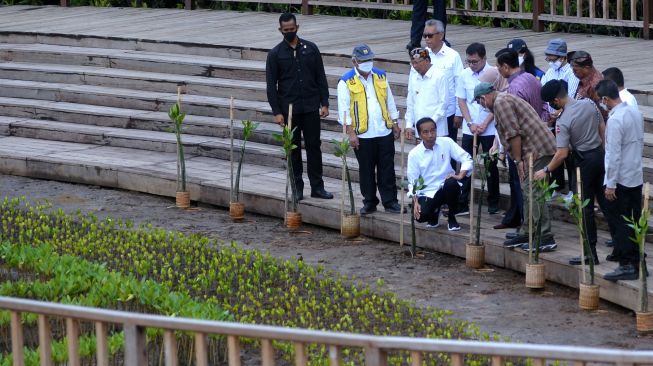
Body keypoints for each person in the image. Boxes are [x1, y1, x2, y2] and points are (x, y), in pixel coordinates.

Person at [474, 82, 558, 251]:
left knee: (534, 191)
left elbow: (514, 134)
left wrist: (518, 161)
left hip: (538, 150)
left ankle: (545, 235)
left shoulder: (500, 103)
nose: (481, 106)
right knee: (527, 190)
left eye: (479, 102)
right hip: (534, 149)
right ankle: (528, 230)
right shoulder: (503, 100)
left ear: (483, 98)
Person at [536, 79, 607, 265]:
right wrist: (602, 150)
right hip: (599, 155)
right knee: (607, 206)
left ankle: (590, 254)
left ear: (555, 101)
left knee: (585, 209)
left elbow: (562, 153)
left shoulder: (563, 120)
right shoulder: (589, 103)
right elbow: (602, 127)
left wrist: (545, 170)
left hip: (583, 162)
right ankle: (623, 251)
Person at [265, 13, 333, 201]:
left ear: (297, 27)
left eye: (292, 29)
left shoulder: (311, 49)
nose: (289, 32)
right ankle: (296, 188)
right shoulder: (275, 54)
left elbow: (321, 76)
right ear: (280, 30)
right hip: (289, 111)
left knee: (314, 148)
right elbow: (271, 86)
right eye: (285, 30)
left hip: (311, 107)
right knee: (293, 150)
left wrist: (324, 102)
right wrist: (277, 112)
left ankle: (317, 188)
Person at [337, 44, 403, 215]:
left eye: (369, 60)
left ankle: (390, 202)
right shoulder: (346, 81)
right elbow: (344, 110)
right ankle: (369, 201)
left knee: (387, 168)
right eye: (363, 60)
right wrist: (351, 133)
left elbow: (389, 100)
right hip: (363, 134)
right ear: (354, 61)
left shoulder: (380, 75)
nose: (367, 63)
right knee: (366, 170)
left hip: (383, 131)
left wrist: (395, 122)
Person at [596, 80, 645, 281]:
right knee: (633, 221)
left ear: (606, 99)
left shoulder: (616, 120)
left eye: (602, 100)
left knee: (622, 223)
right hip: (635, 174)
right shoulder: (635, 112)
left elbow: (613, 154)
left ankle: (627, 263)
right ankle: (637, 260)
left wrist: (611, 183)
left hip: (621, 179)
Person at [456, 42, 499, 216]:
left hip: (489, 127)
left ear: (484, 59)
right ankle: (462, 201)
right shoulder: (464, 75)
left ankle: (494, 202)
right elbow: (461, 100)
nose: (472, 65)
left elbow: (498, 100)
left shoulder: (494, 73)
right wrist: (469, 123)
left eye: (475, 62)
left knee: (491, 165)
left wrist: (486, 123)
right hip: (470, 127)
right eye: (469, 62)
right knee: (466, 162)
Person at [407, 117, 473, 231]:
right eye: (425, 132)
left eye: (433, 130)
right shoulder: (414, 154)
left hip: (446, 185)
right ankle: (434, 213)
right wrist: (415, 201)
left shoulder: (446, 142)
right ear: (419, 134)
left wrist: (460, 175)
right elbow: (413, 180)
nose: (430, 135)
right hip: (428, 191)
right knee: (421, 216)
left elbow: (466, 158)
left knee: (452, 183)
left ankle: (451, 217)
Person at [419, 19, 464, 166]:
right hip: (428, 112)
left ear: (441, 35)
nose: (426, 39)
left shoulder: (453, 56)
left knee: (447, 150)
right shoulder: (422, 56)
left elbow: (459, 84)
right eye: (425, 35)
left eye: (430, 35)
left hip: (448, 113)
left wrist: (459, 112)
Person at [540, 38, 580, 199]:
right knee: (554, 152)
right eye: (548, 58)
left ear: (563, 57)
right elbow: (542, 94)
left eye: (553, 58)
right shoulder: (549, 73)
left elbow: (571, 95)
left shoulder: (571, 73)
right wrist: (548, 113)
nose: (550, 61)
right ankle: (556, 186)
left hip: (568, 118)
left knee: (568, 155)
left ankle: (572, 189)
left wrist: (560, 111)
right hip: (552, 119)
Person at [405, 48, 448, 140]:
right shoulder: (414, 77)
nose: (415, 66)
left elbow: (443, 104)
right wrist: (409, 124)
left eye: (417, 62)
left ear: (427, 60)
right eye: (413, 63)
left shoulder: (440, 76)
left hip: (437, 131)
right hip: (420, 132)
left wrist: (430, 124)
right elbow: (411, 102)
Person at [569, 50, 608, 120]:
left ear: (586, 67)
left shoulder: (595, 85)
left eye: (575, 70)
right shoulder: (584, 78)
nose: (573, 72)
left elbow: (603, 114)